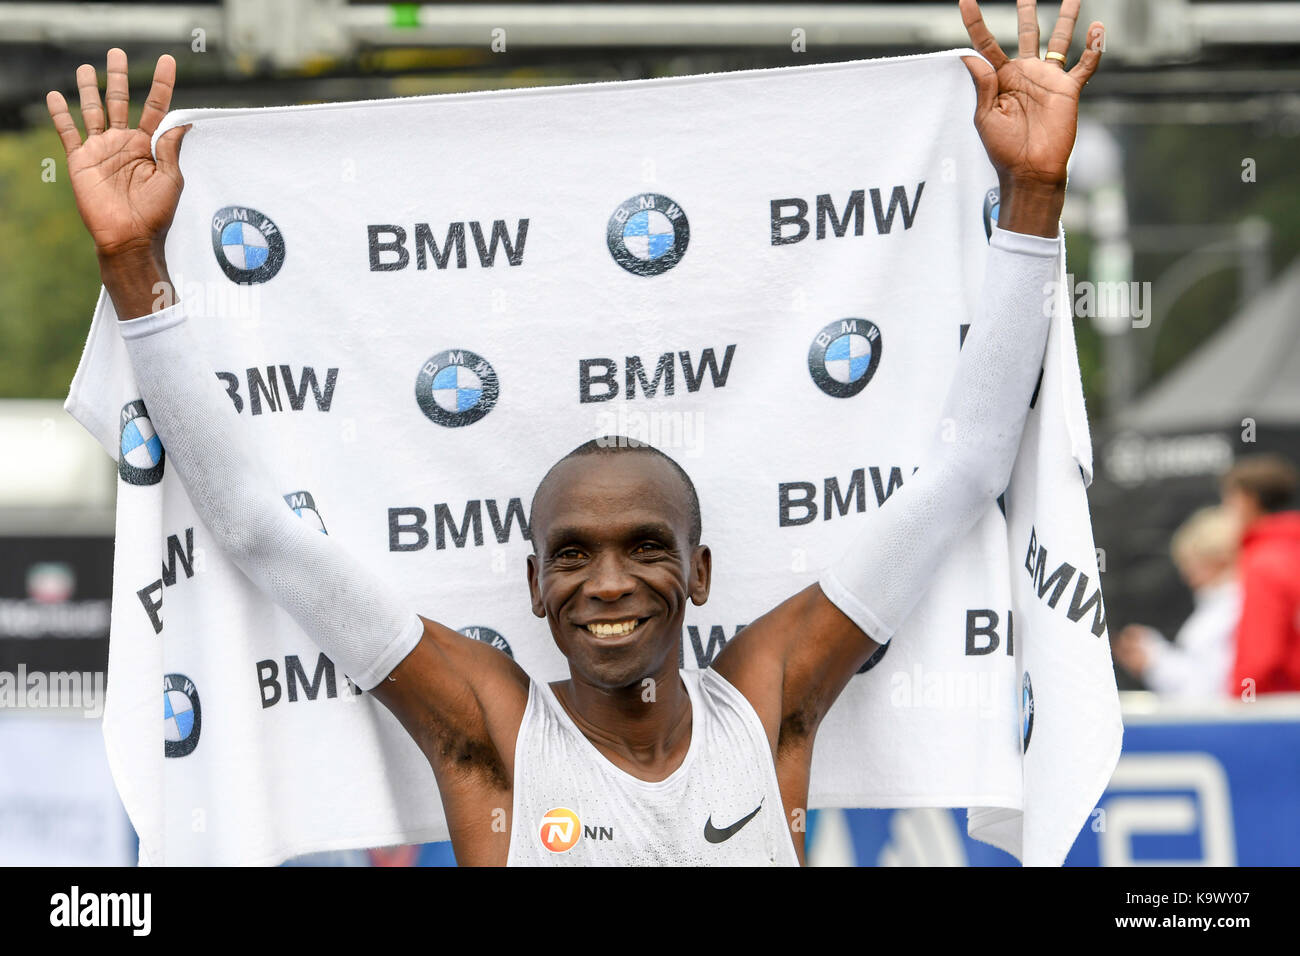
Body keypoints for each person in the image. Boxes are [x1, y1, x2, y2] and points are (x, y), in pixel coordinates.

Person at [46, 0, 1104, 865]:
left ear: (699, 571)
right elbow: (258, 528)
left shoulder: (765, 702)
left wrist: (1035, 193)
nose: (607, 581)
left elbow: (965, 469)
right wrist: (136, 270)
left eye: (645, 546)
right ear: (533, 585)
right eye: (573, 554)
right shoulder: (495, 735)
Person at [1112, 506, 1240, 700]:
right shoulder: (1216, 606)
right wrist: (1154, 656)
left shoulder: (1233, 606)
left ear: (1219, 560)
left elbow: (1211, 689)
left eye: (1193, 567)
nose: (1187, 577)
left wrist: (1154, 660)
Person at [1219, 454, 1300, 696]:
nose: (1227, 511)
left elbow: (1260, 657)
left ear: (1248, 500)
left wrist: (1240, 707)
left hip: (1281, 713)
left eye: (1229, 501)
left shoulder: (1264, 563)